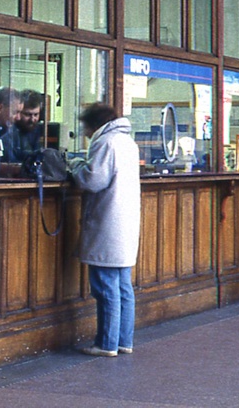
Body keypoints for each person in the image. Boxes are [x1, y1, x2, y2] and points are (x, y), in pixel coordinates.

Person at [69, 102, 140, 358]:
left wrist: (76, 165)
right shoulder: (127, 142)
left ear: (94, 125)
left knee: (105, 286)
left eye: (86, 128)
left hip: (107, 222)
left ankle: (106, 344)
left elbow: (93, 180)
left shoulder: (105, 143)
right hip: (124, 222)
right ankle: (123, 341)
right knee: (123, 287)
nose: (86, 133)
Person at [1, 90, 46, 164]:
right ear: (19, 111)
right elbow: (10, 163)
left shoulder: (37, 130)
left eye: (36, 115)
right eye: (28, 114)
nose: (32, 119)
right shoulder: (8, 131)